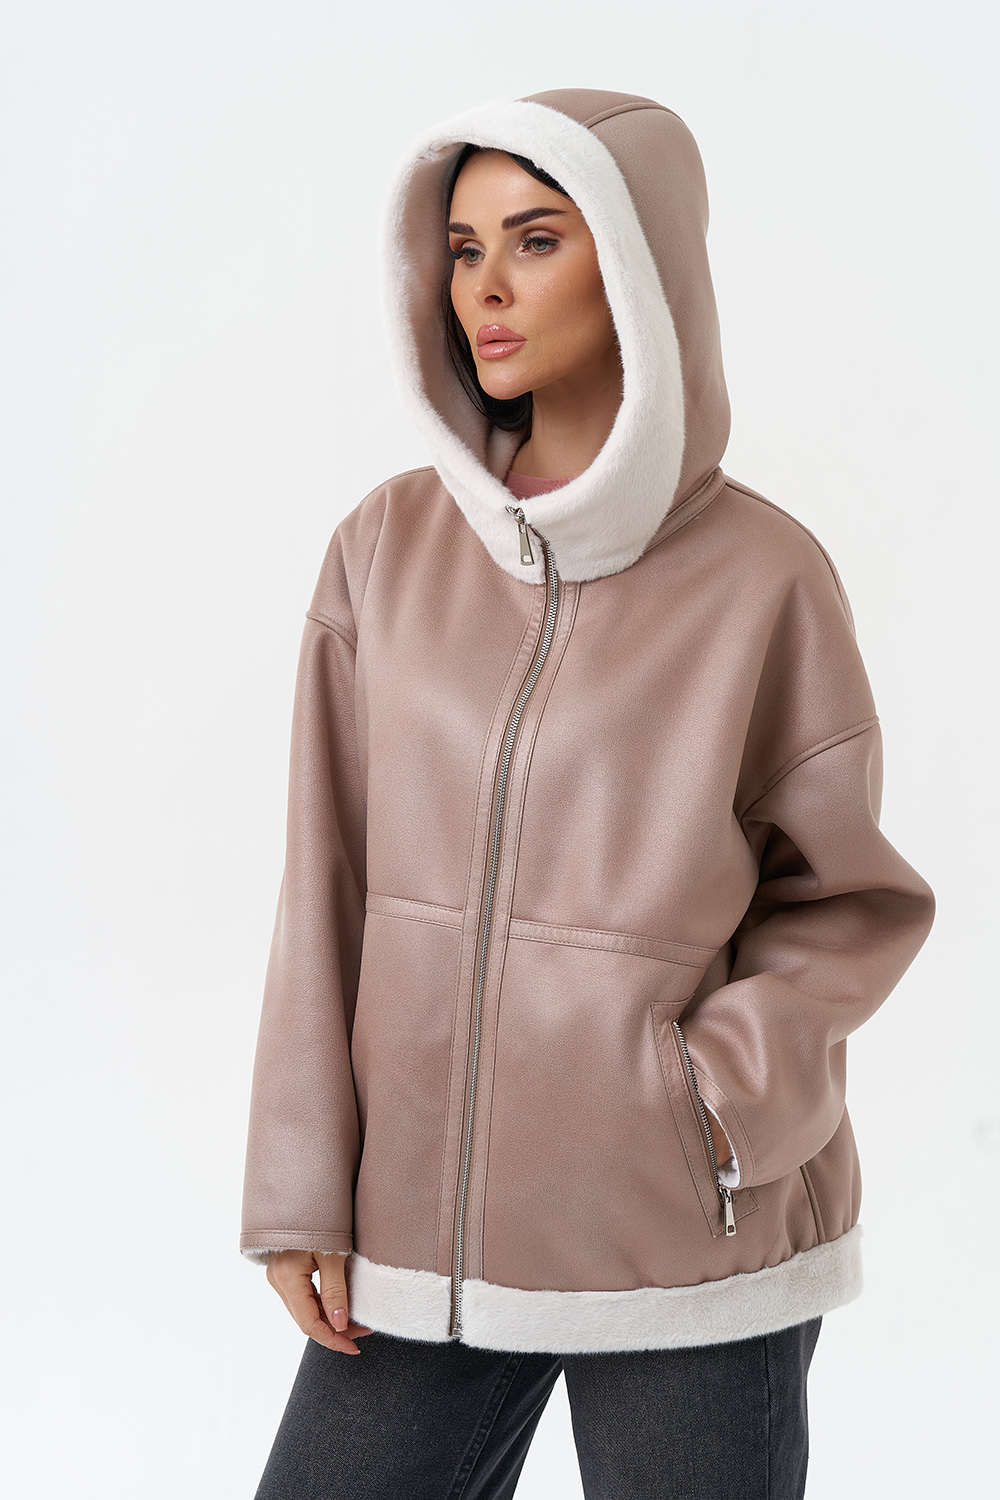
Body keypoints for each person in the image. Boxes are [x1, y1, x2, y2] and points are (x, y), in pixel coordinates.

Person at [240, 88, 935, 1499]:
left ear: (640, 259)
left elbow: (853, 903)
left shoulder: (764, 580)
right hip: (416, 1237)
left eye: (538, 239)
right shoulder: (386, 550)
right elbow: (327, 881)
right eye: (463, 247)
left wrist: (710, 1105)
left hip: (686, 1244)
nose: (485, 287)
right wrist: (301, 1184)